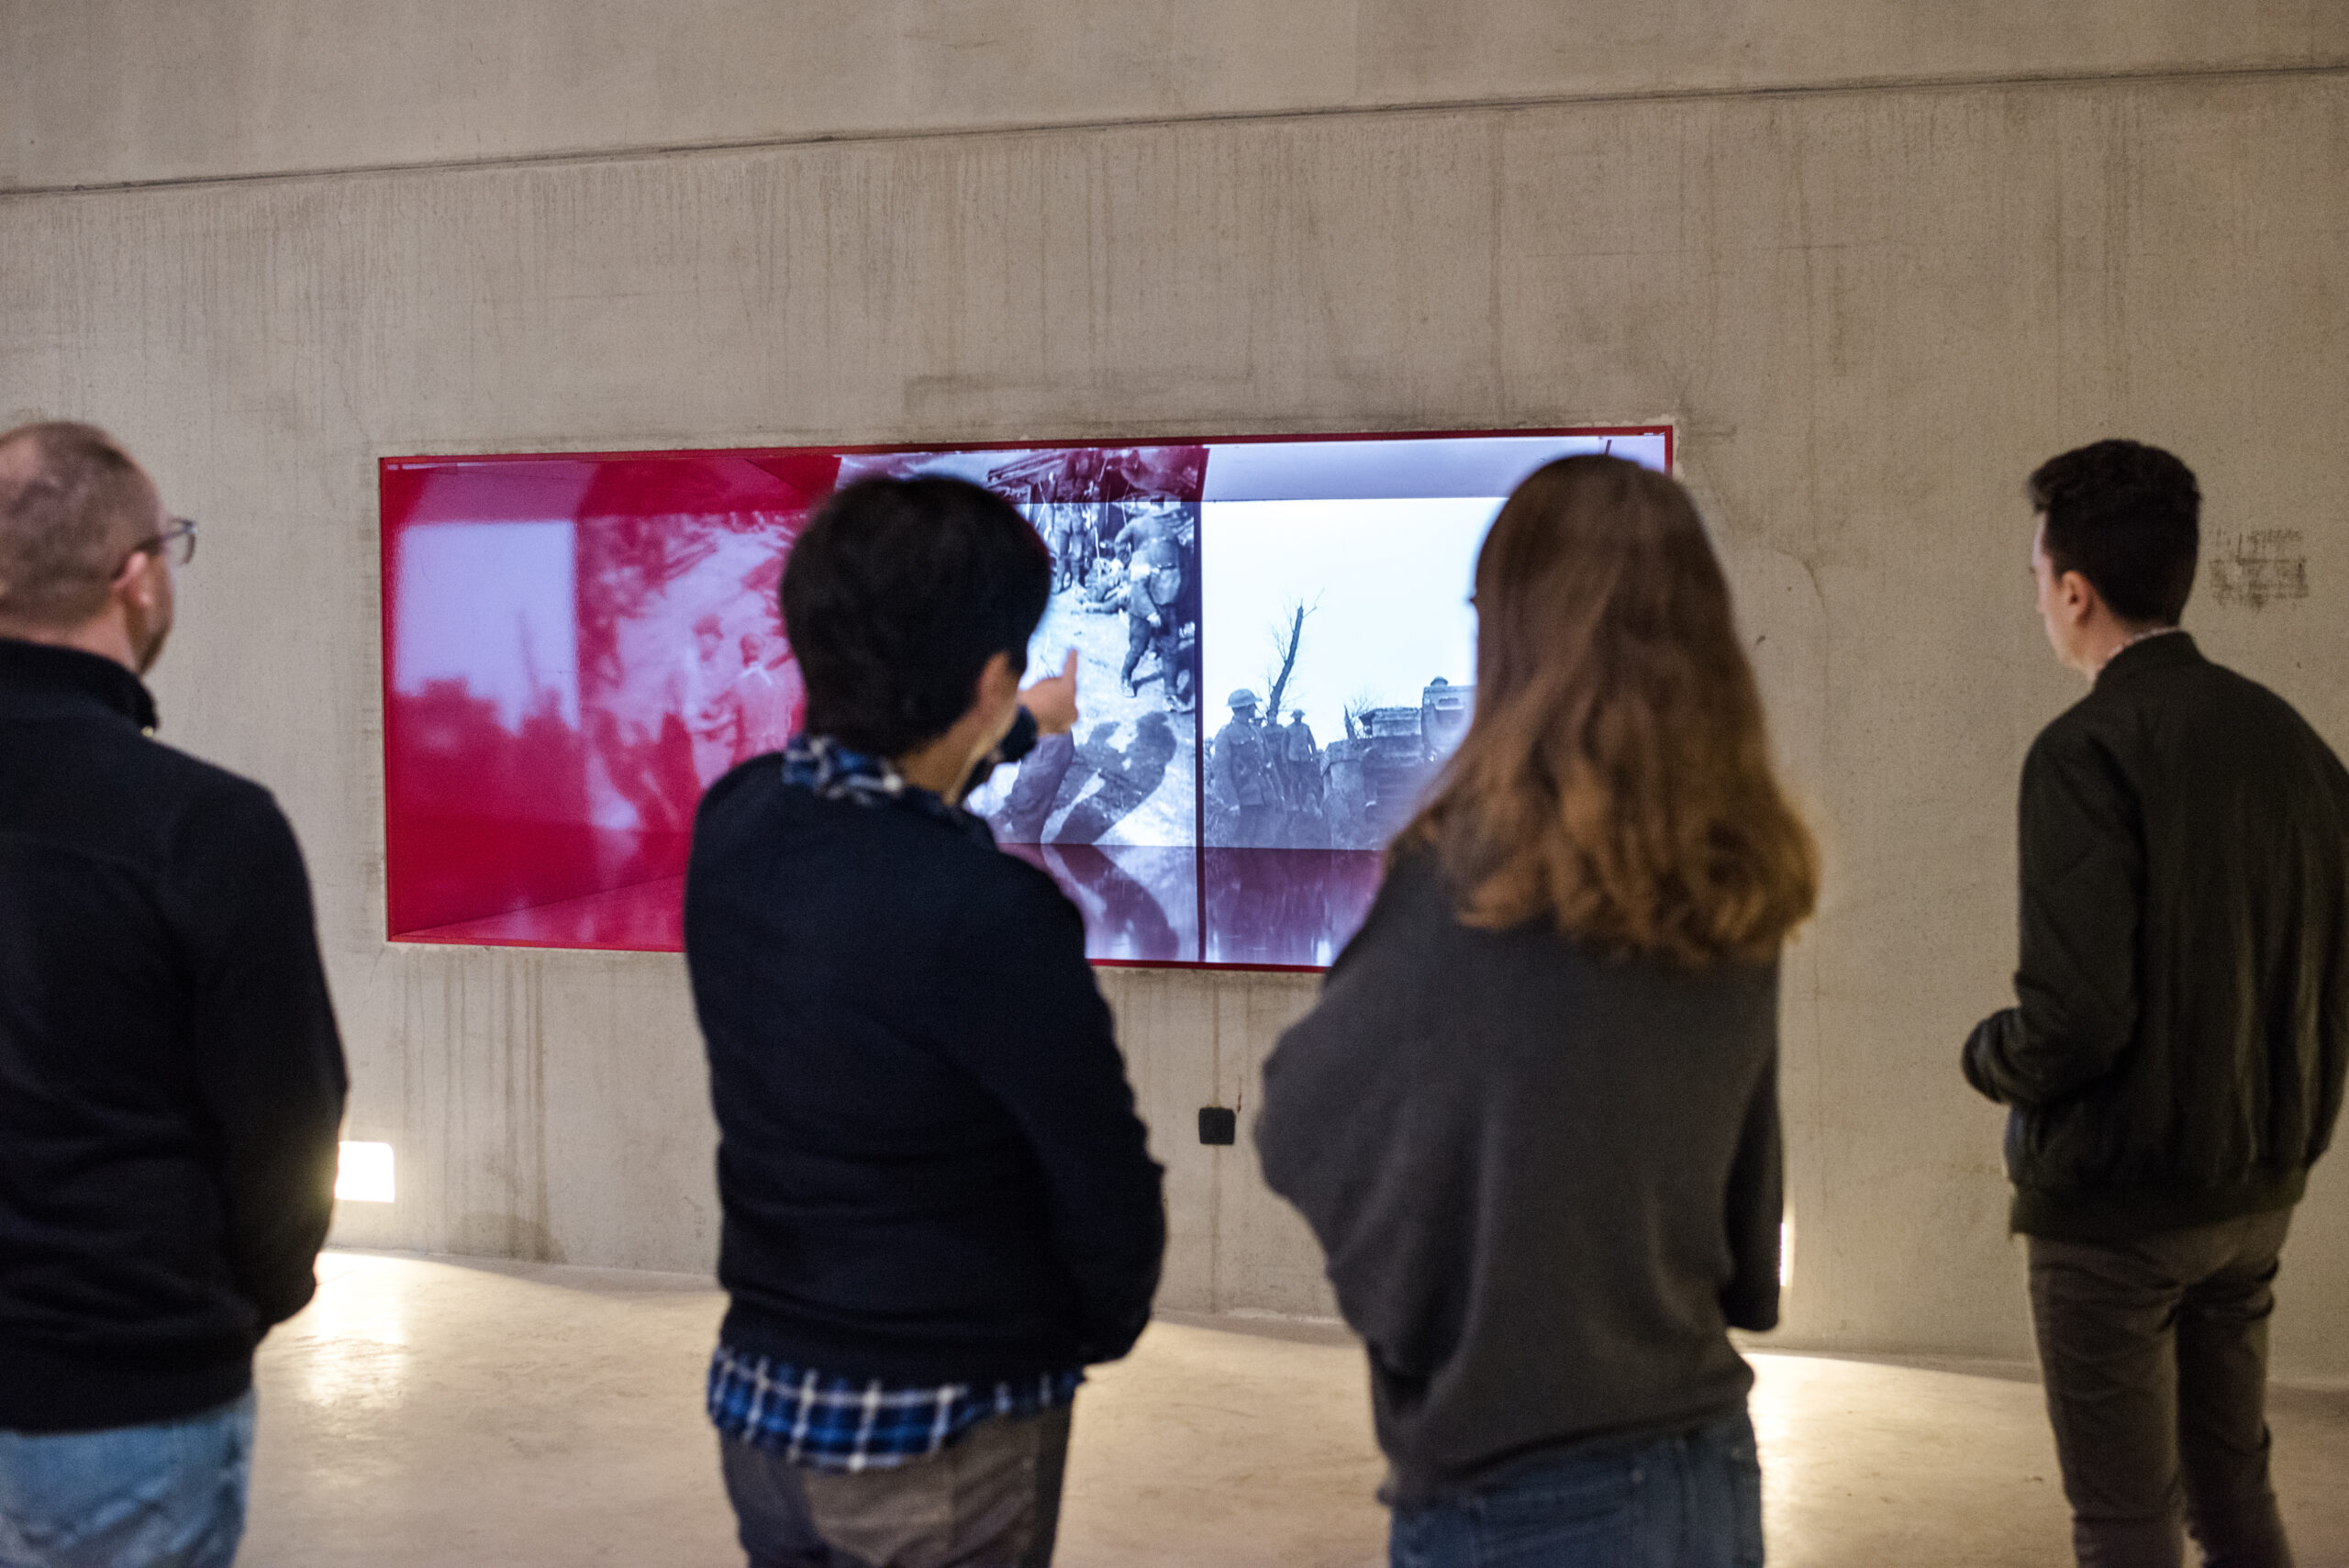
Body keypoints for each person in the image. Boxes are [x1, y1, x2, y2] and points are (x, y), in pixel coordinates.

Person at [1255, 455, 1818, 1568]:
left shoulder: (1471, 873)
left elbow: (1304, 1113)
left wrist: (1419, 1310)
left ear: (1514, 631)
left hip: (1520, 1482)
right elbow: (1746, 1195)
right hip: (1706, 1458)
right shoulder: (1736, 872)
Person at [685, 475, 1166, 1568]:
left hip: (764, 1399)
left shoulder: (740, 820)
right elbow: (1103, 1182)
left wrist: (1018, 727)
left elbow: (885, 797)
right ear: (989, 677)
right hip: (944, 1424)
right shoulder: (991, 913)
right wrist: (1085, 1330)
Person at [1963, 440, 2347, 1568]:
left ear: (2073, 590)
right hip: (2256, 1191)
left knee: (2123, 1518)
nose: (2038, 596)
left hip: (2116, 1210)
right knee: (2232, 1499)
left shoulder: (2081, 752)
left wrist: (1990, 1055)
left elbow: (2075, 1019)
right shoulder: (2297, 750)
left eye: (2037, 575)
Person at [0, 422, 349, 1566]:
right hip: (124, 1393)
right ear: (137, 575)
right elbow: (287, 1121)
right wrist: (240, 1305)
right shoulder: (205, 826)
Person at [1211, 689, 1274, 846]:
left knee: (1265, 842)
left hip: (1265, 795)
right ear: (1246, 708)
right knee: (1244, 843)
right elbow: (1221, 772)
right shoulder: (1226, 734)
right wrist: (1232, 802)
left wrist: (1278, 793)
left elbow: (1269, 764)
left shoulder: (1257, 731)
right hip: (1244, 798)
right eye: (1253, 705)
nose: (1255, 708)